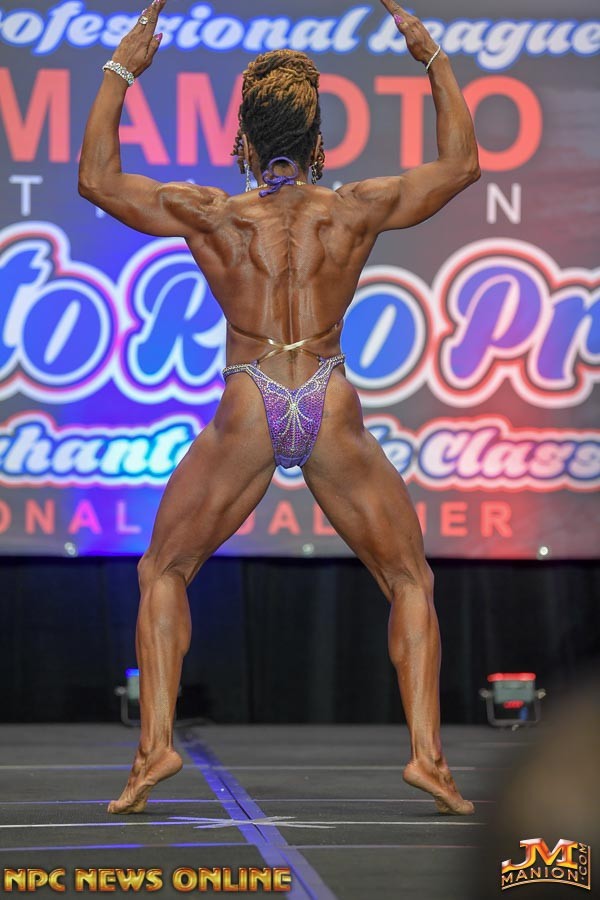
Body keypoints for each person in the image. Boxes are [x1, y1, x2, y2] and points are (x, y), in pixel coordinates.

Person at [79, 0, 480, 817]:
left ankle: (155, 749)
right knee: (408, 578)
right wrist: (432, 56)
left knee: (164, 571)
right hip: (328, 397)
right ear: (318, 141)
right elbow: (462, 164)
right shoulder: (355, 207)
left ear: (247, 143)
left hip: (249, 400)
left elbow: (97, 180)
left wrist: (122, 68)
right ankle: (429, 759)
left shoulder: (212, 215)